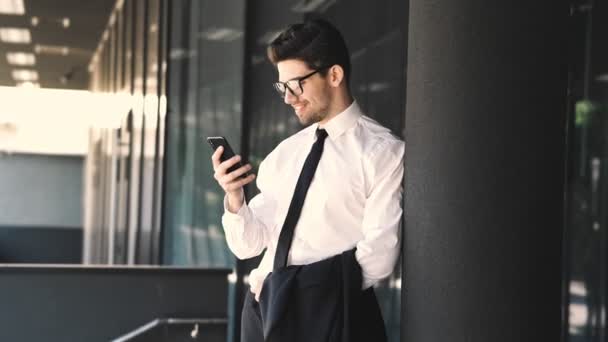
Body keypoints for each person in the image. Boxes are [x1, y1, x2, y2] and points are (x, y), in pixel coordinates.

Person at [211, 18, 404, 342]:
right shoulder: (285, 154)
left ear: (334, 75)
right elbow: (248, 246)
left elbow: (381, 255)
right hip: (262, 313)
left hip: (326, 316)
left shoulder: (382, 153)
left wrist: (299, 292)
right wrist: (234, 199)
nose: (288, 97)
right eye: (282, 86)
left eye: (296, 84)